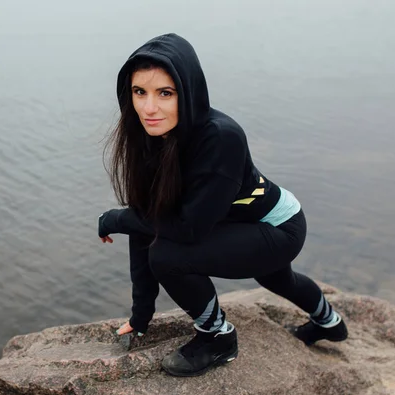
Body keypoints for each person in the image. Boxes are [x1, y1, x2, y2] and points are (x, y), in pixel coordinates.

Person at [97, 33, 348, 377]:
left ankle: (217, 338)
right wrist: (141, 316)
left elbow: (183, 230)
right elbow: (148, 223)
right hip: (238, 221)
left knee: (169, 256)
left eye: (165, 93)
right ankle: (330, 323)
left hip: (279, 225)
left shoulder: (220, 137)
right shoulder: (154, 137)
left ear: (188, 91)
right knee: (278, 280)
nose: (148, 107)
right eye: (140, 92)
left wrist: (118, 219)